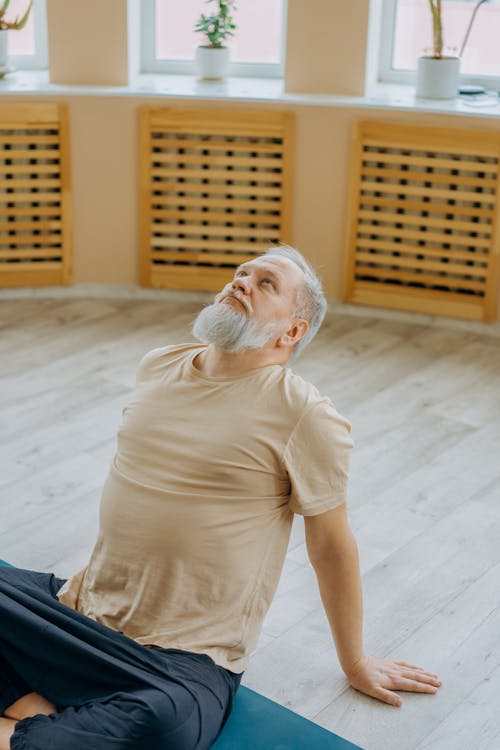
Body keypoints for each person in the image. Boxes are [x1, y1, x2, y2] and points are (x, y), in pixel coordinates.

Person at [0, 245, 442, 750]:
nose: (241, 282)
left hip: (179, 657)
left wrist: (356, 661)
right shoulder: (160, 365)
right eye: (241, 273)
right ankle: (48, 710)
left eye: (266, 283)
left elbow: (331, 547)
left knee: (168, 726)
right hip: (77, 612)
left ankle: (36, 707)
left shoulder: (305, 415)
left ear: (292, 331)